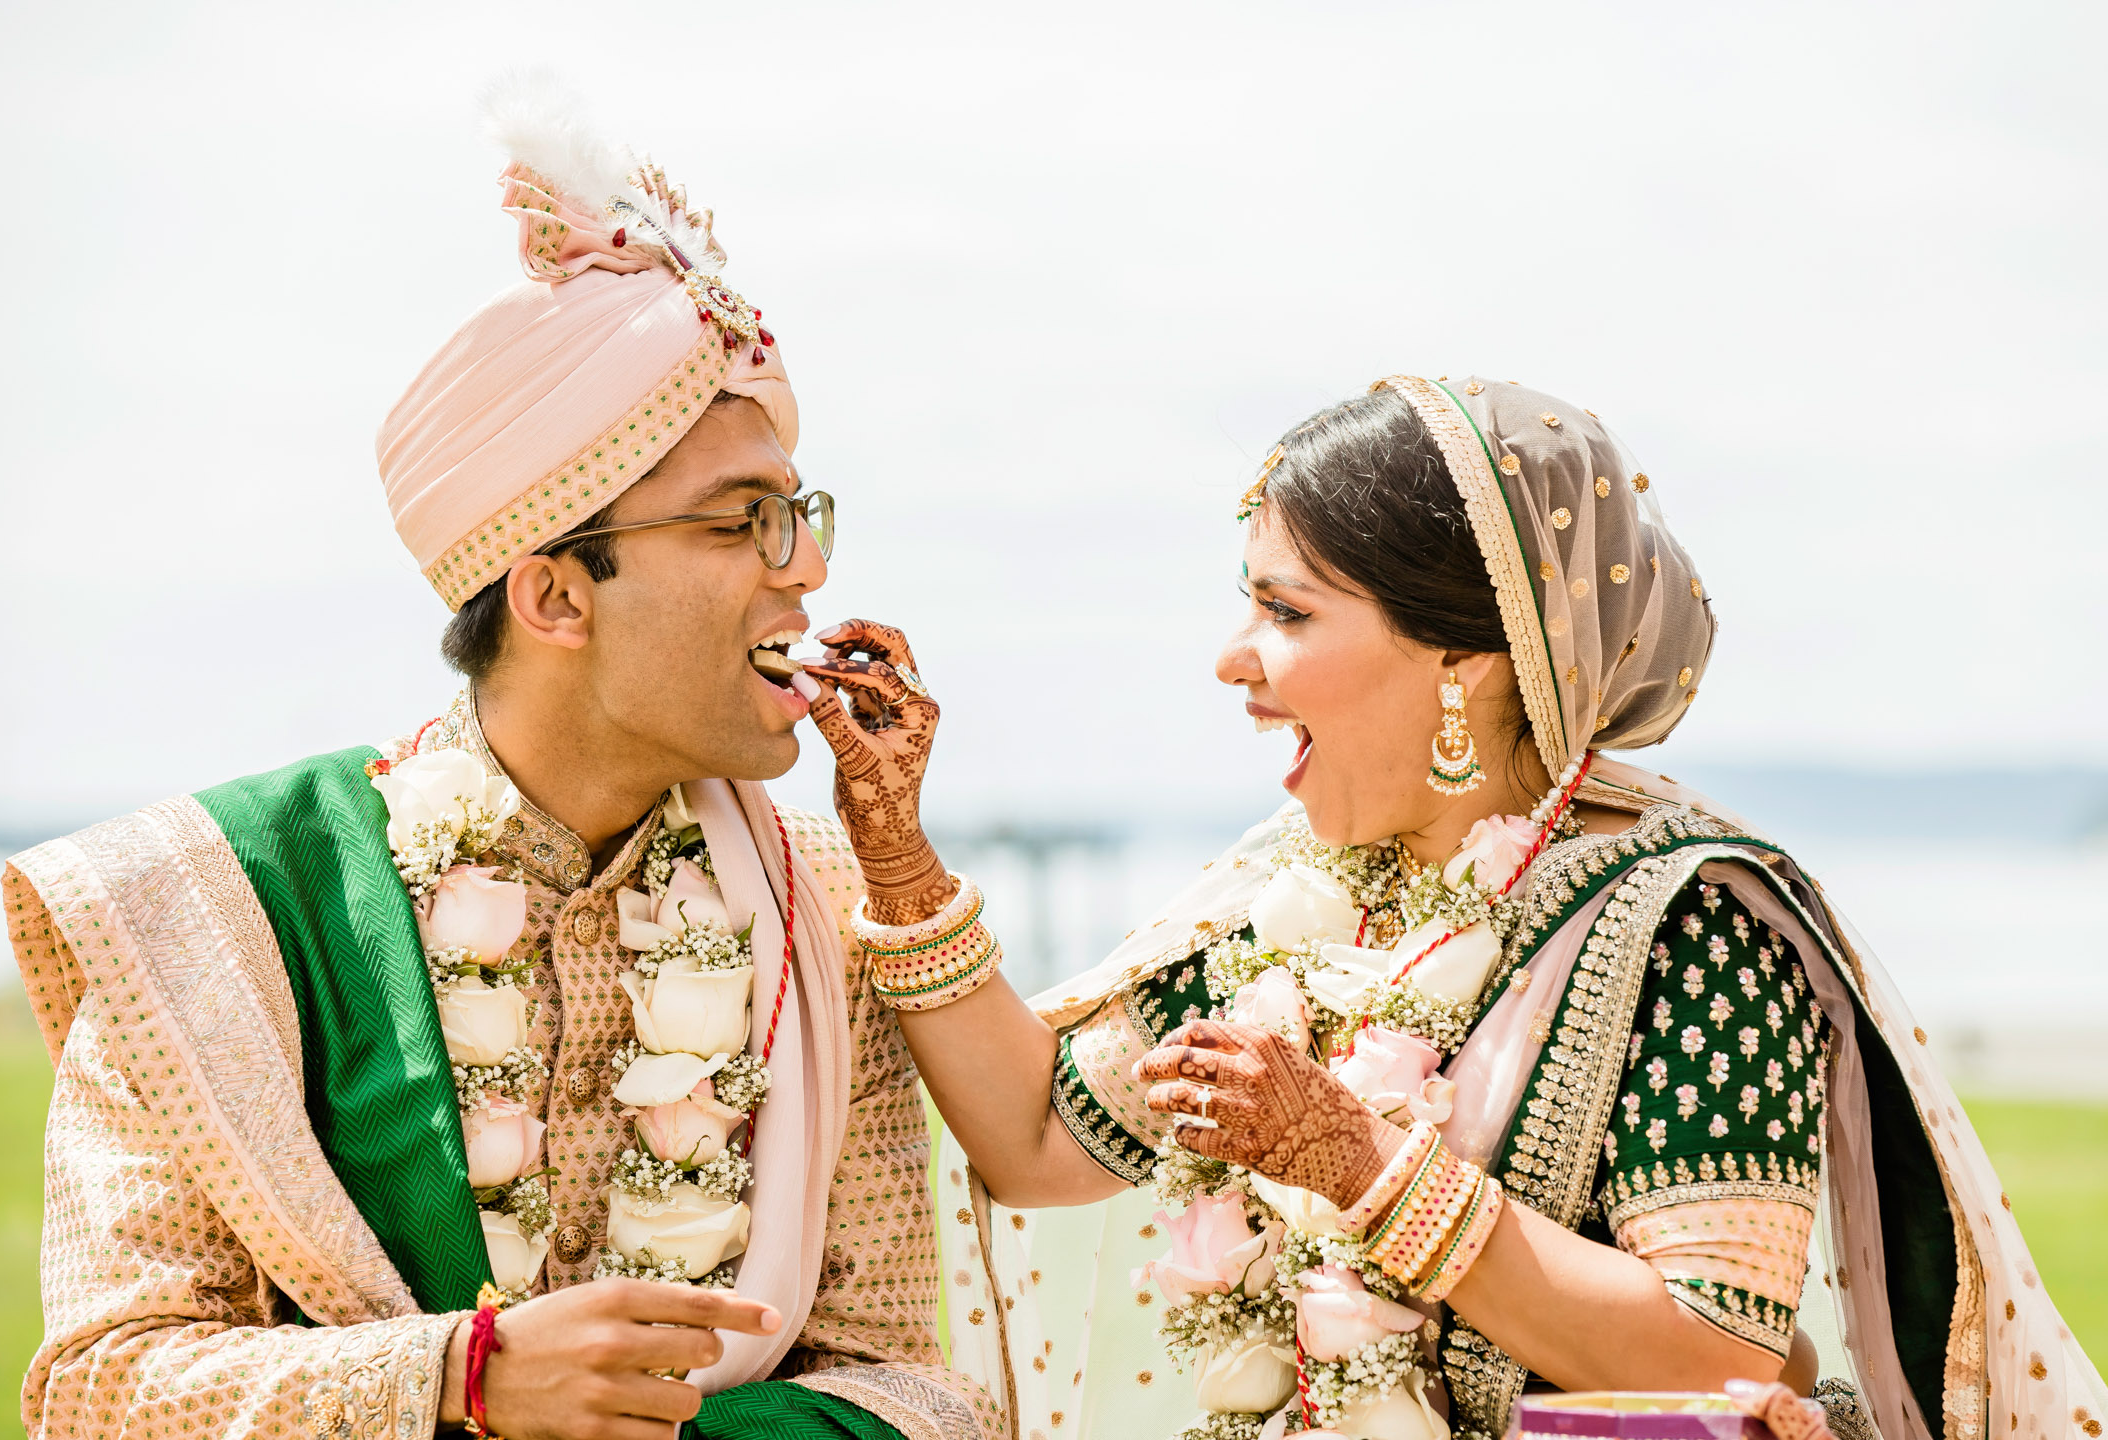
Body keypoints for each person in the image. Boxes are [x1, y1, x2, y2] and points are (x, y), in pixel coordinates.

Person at [799, 376, 2108, 1440]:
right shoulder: (1290, 898)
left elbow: (1717, 1353)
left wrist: (1355, 1162)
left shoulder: (1681, 926)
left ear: (1463, 658)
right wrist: (898, 856)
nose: (1231, 660)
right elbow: (1035, 1139)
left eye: (1285, 610)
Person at [4, 96, 1017, 1440]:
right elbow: (95, 1389)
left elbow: (915, 1385)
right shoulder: (214, 911)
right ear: (551, 598)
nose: (808, 570)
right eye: (745, 522)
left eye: (801, 512)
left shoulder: (821, 910)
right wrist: (459, 1382)